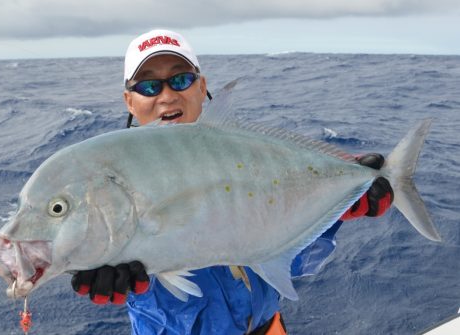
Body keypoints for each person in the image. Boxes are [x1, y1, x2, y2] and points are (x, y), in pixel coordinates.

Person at [71, 29, 394, 334]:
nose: (167, 96)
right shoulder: (108, 182)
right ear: (130, 101)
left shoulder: (256, 158)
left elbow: (292, 259)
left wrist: (337, 209)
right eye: (149, 87)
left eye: (181, 80)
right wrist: (96, 262)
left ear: (201, 87)